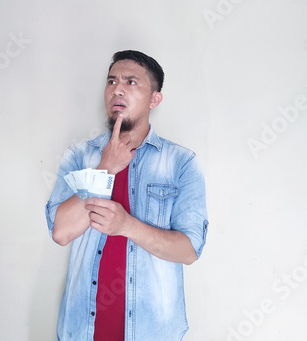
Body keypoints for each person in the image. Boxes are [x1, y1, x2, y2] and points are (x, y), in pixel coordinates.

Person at [45, 50, 209, 341]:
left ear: (154, 99)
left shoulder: (180, 163)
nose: (117, 89)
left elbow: (188, 250)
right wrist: (105, 168)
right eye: (111, 81)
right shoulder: (80, 157)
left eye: (131, 82)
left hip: (152, 333)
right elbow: (61, 232)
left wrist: (126, 226)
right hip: (82, 331)